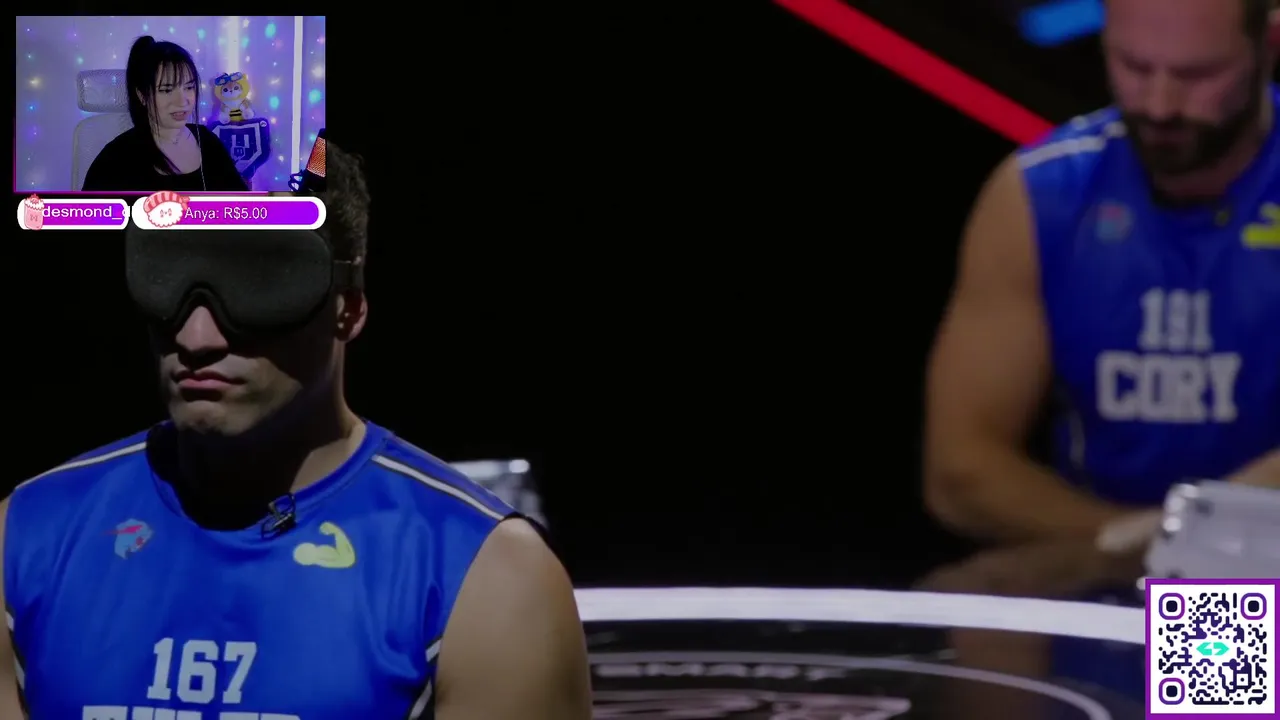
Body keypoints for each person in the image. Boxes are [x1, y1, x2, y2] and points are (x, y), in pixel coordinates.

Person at [0, 143, 592, 719]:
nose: (196, 337)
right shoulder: (25, 538)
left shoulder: (483, 576)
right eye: (170, 274)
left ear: (348, 307)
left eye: (257, 281)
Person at [921, 0, 1279, 702]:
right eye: (1133, 66)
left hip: (1267, 572)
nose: (1160, 104)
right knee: (970, 619)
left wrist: (1198, 553)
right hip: (1101, 579)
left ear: (1267, 46)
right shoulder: (1041, 194)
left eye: (1197, 75)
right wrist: (1142, 546)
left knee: (1218, 676)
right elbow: (961, 469)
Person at [82, 36, 248, 192]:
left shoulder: (208, 141)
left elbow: (243, 204)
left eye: (189, 87)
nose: (182, 101)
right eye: (167, 90)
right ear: (142, 96)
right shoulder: (115, 158)